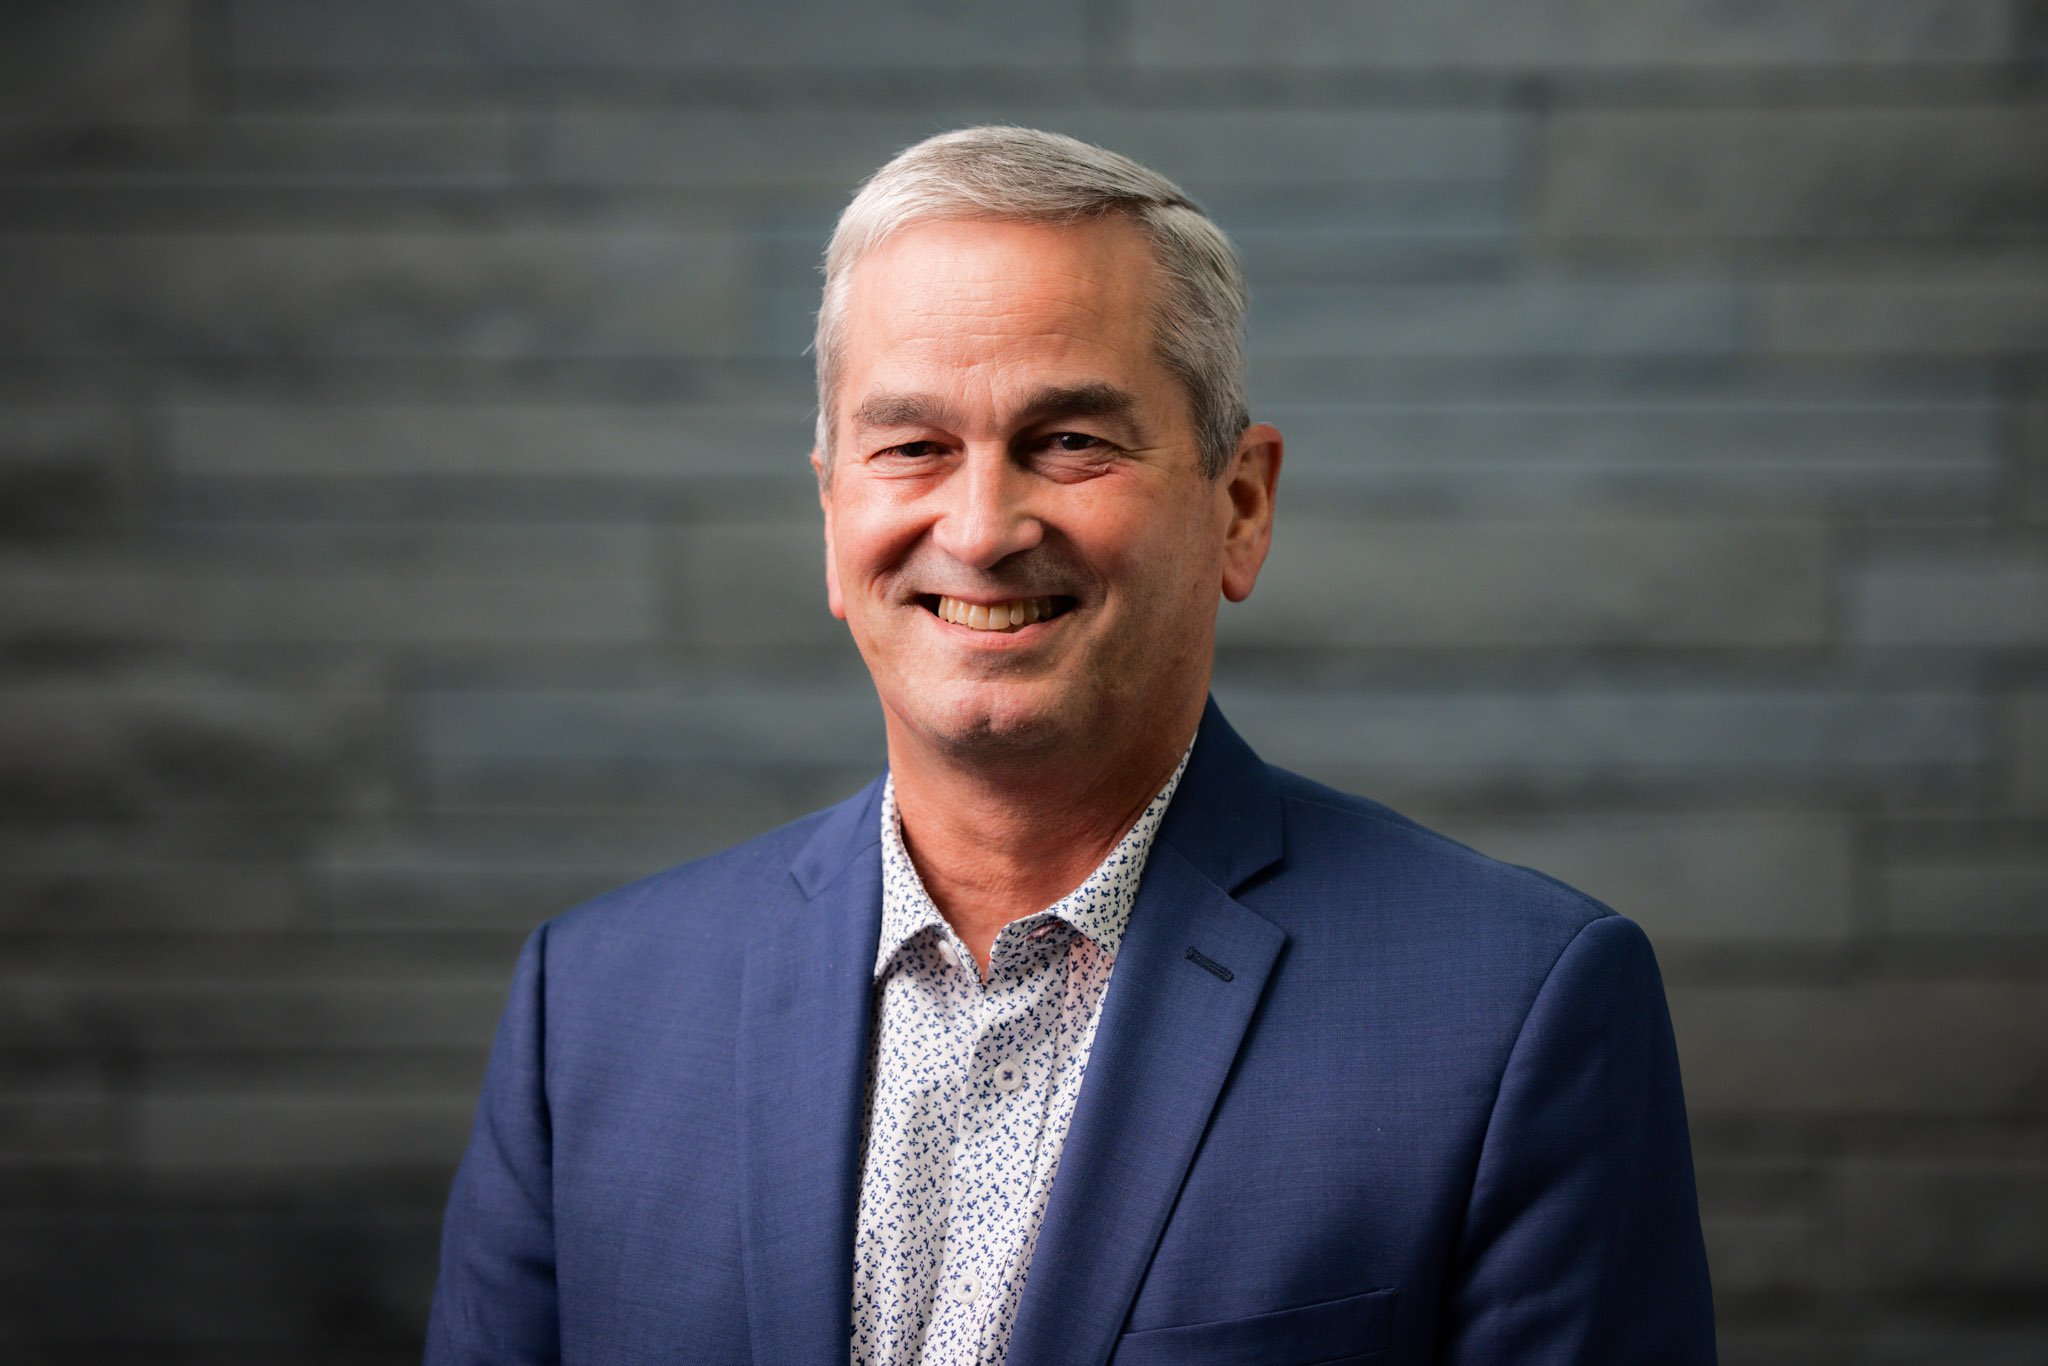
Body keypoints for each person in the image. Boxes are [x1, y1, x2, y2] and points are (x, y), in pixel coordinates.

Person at [424, 126, 1716, 1365]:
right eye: (914, 446)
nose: (981, 528)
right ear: (832, 510)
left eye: (1071, 443)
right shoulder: (590, 1012)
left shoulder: (1512, 1012)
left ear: (1241, 507)